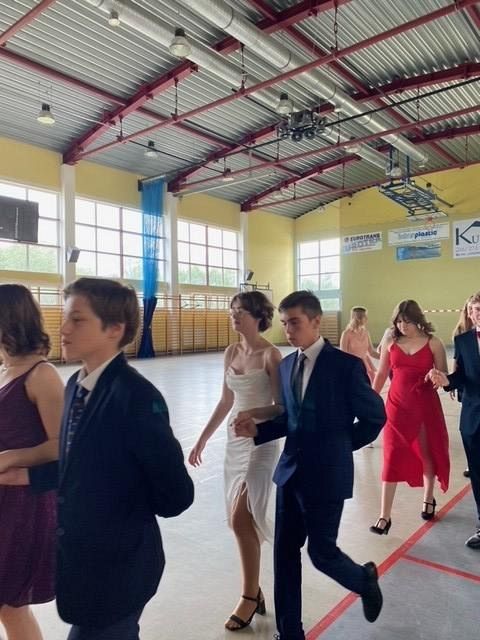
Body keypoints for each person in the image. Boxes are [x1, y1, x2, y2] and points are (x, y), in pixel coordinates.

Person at [19, 277, 194, 640]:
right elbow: (80, 466)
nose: (63, 329)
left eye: (77, 320)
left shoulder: (136, 397)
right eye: (65, 318)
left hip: (121, 565)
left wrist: (120, 511)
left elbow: (176, 494)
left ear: (115, 328)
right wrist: (25, 476)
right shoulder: (76, 386)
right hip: (87, 562)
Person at [234, 290, 386, 640]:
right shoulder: (287, 366)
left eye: (295, 323)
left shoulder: (344, 367)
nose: (288, 330)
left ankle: (363, 580)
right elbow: (290, 420)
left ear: (316, 321)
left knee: (321, 553)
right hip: (289, 474)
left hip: (327, 476)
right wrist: (258, 430)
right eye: (284, 323)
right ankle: (290, 633)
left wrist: (340, 447)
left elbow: (375, 416)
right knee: (284, 556)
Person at [189, 291, 283, 631]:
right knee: (239, 521)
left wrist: (254, 414)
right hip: (235, 442)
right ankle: (255, 590)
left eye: (240, 311)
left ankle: (247, 596)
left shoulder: (271, 355)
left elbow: (281, 408)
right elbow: (225, 400)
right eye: (232, 311)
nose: (234, 316)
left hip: (261, 441)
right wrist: (203, 437)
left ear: (258, 316)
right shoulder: (231, 352)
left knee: (242, 517)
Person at [0, 284, 64, 640]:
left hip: (22, 502)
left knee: (11, 604)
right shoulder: (5, 369)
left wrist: (12, 457)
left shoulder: (42, 375)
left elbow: (59, 446)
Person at [370, 299, 450, 535]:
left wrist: (437, 376)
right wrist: (371, 401)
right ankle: (384, 516)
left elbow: (444, 375)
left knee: (426, 453)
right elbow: (382, 373)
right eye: (398, 321)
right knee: (391, 455)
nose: (402, 326)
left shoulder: (434, 343)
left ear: (417, 320)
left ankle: (428, 497)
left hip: (425, 406)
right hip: (396, 407)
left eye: (407, 321)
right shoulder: (390, 341)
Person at [428, 291, 480, 549]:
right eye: (473, 310)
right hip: (473, 418)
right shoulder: (463, 341)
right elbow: (461, 377)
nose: (476, 314)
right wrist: (446, 380)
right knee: (478, 475)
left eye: (479, 308)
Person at [452, 296, 474, 478]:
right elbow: (458, 361)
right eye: (472, 309)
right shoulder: (461, 334)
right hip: (468, 387)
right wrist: (450, 381)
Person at [339, 306, 379, 383]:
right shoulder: (346, 334)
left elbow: (371, 352)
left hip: (365, 365)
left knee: (371, 384)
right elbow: (343, 356)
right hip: (352, 367)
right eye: (365, 316)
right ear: (358, 318)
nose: (367, 319)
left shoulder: (366, 332)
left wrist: (386, 356)